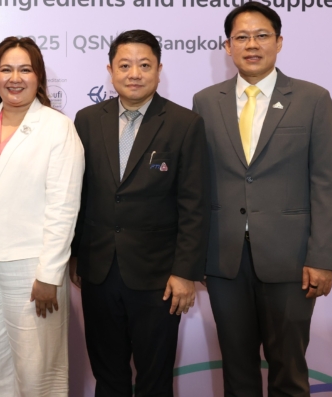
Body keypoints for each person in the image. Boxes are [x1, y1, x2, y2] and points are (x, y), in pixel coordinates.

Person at [192, 1, 332, 397]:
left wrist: (322, 257)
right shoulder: (205, 101)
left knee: (288, 370)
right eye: (241, 37)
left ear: (279, 42)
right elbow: (197, 184)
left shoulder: (312, 99)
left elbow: (326, 183)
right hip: (224, 260)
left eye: (262, 36)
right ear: (228, 46)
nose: (252, 44)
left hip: (291, 259)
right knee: (237, 370)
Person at [70, 29, 210, 397]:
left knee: (155, 380)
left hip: (158, 277)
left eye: (145, 65)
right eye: (125, 65)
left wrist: (185, 272)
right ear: (110, 70)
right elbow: (78, 194)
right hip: (98, 272)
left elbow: (194, 204)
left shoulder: (184, 124)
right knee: (108, 377)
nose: (134, 74)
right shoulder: (87, 120)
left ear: (159, 70)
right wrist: (74, 255)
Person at [0, 37, 84, 396]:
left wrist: (49, 274)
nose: (15, 78)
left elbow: (63, 207)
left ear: (38, 77)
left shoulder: (58, 127)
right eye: (6, 69)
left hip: (32, 269)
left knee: (36, 368)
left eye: (25, 69)